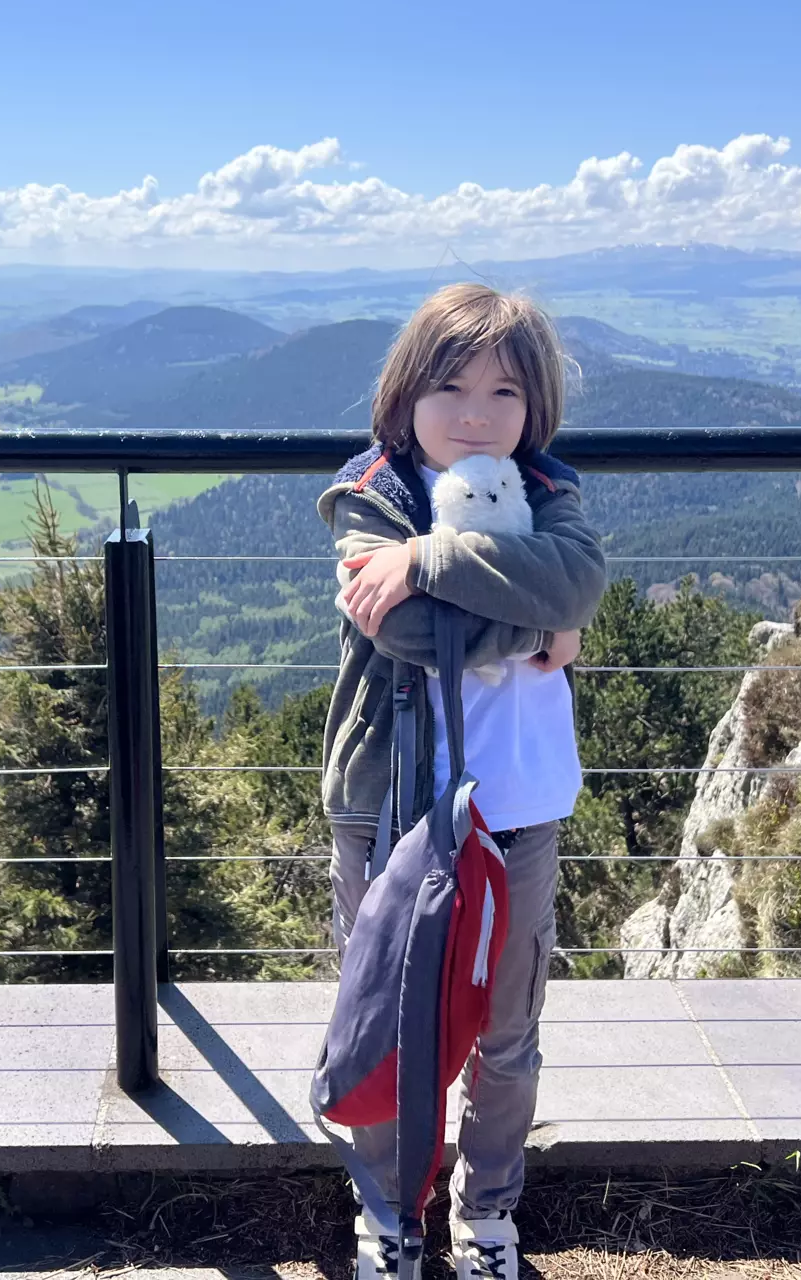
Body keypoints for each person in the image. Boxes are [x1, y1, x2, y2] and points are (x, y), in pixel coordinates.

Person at [316, 283, 608, 1280]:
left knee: (506, 1033)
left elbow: (579, 583)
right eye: (450, 387)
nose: (476, 415)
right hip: (391, 812)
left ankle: (486, 1212)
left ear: (536, 407)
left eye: (504, 392)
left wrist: (430, 559)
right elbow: (401, 627)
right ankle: (388, 1210)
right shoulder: (371, 495)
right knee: (387, 1023)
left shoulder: (551, 489)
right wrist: (540, 626)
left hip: (519, 807)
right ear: (406, 395)